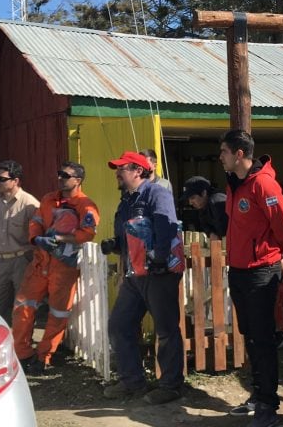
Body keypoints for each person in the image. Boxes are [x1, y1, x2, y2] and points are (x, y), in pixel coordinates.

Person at [220, 130, 283, 427]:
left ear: (239, 154)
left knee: (262, 341)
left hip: (260, 272)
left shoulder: (263, 183)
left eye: (224, 151)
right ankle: (259, 394)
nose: (220, 157)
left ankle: (267, 405)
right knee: (250, 337)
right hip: (239, 271)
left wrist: (271, 254)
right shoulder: (233, 184)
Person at [100, 151, 185, 404]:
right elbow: (132, 234)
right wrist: (115, 244)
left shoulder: (156, 193)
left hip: (159, 273)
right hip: (135, 274)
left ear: (138, 170)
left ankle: (170, 386)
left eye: (121, 168)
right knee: (119, 325)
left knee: (166, 330)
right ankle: (132, 382)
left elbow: (167, 225)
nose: (117, 173)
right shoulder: (126, 199)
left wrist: (159, 257)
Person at [13, 161, 100, 375]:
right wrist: (37, 239)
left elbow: (88, 233)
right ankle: (22, 354)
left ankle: (44, 357)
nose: (60, 178)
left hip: (64, 267)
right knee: (22, 307)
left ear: (77, 180)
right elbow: (36, 222)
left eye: (65, 175)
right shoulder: (48, 199)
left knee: (57, 314)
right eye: (59, 174)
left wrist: (61, 238)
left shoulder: (86, 205)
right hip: (40, 262)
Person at [0, 160, 40, 325]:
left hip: (22, 260)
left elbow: (40, 233)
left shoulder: (30, 204)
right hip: (0, 261)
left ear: (15, 181)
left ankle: (22, 346)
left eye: (2, 179)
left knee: (22, 307)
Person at [180, 175, 228, 241]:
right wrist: (211, 233)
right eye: (189, 199)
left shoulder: (217, 203)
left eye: (193, 198)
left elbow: (225, 230)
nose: (190, 203)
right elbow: (204, 224)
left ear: (203, 193)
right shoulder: (203, 205)